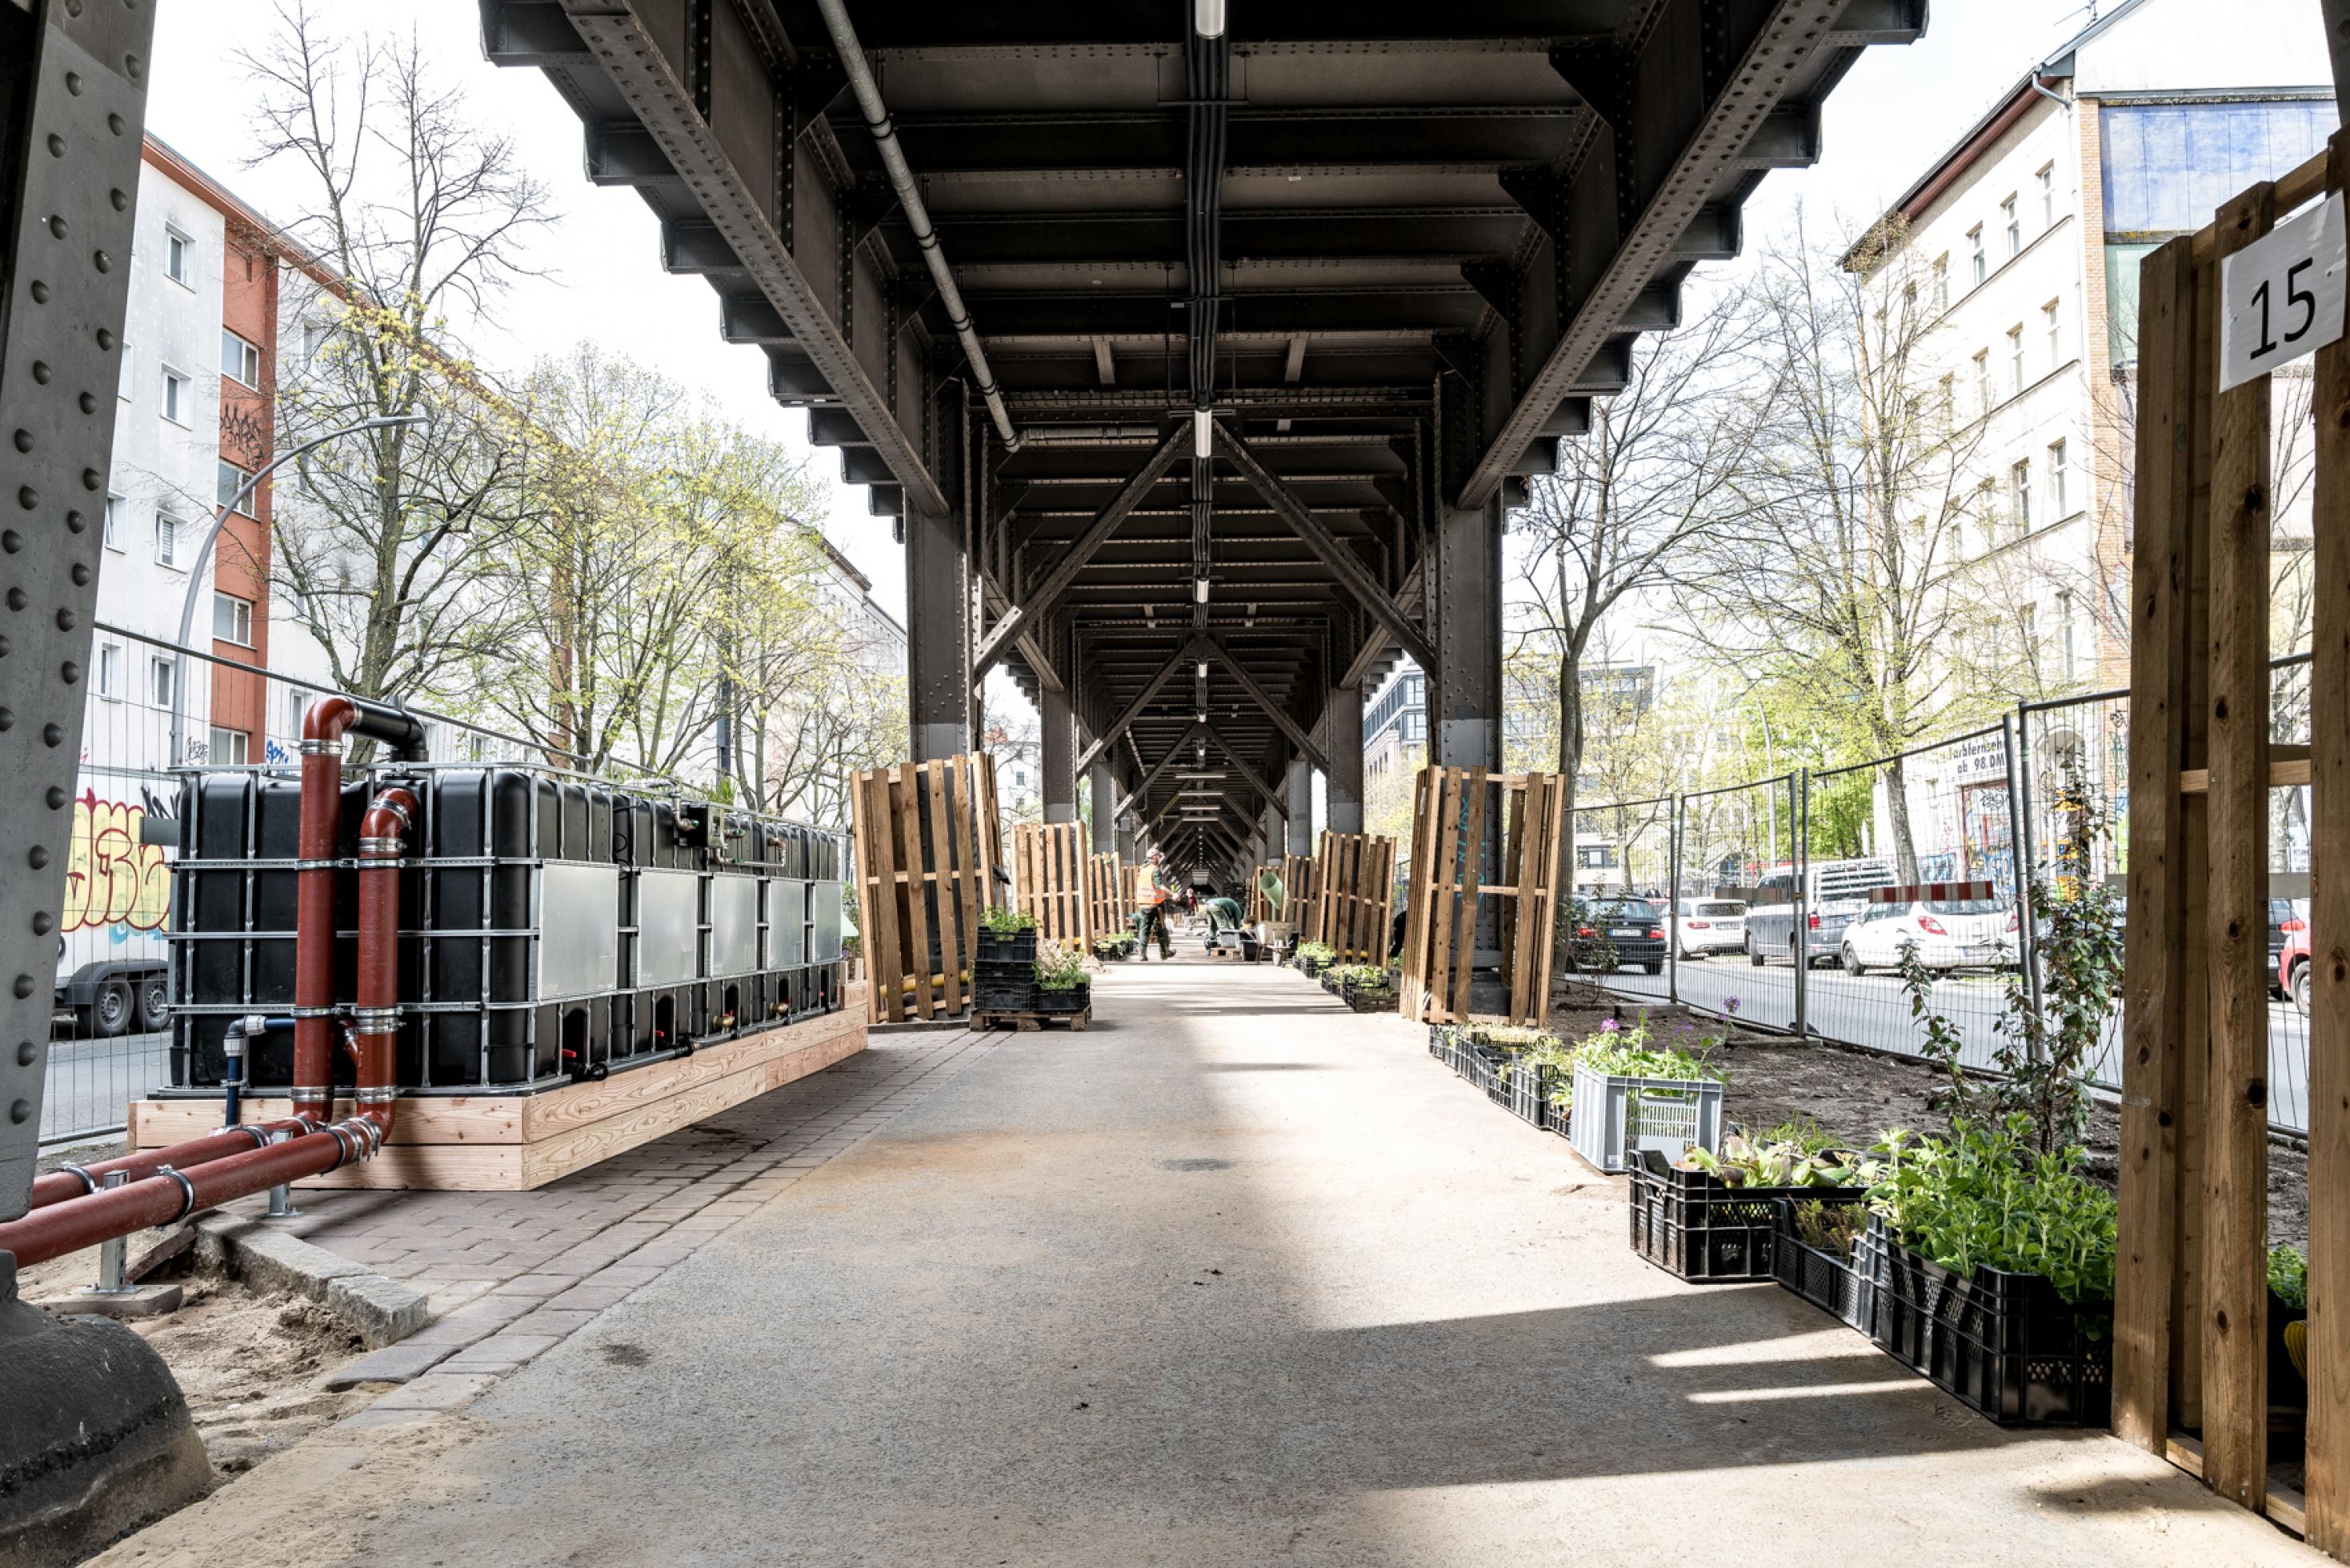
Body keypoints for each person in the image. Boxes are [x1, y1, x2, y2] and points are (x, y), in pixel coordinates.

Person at [1136, 848, 1176, 959]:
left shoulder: (1142, 869)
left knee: (1144, 929)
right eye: (1158, 857)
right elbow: (1159, 886)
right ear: (1154, 857)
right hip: (1155, 905)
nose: (1159, 859)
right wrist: (1173, 894)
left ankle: (1142, 954)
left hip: (1143, 904)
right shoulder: (1155, 869)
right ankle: (1164, 953)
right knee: (1161, 929)